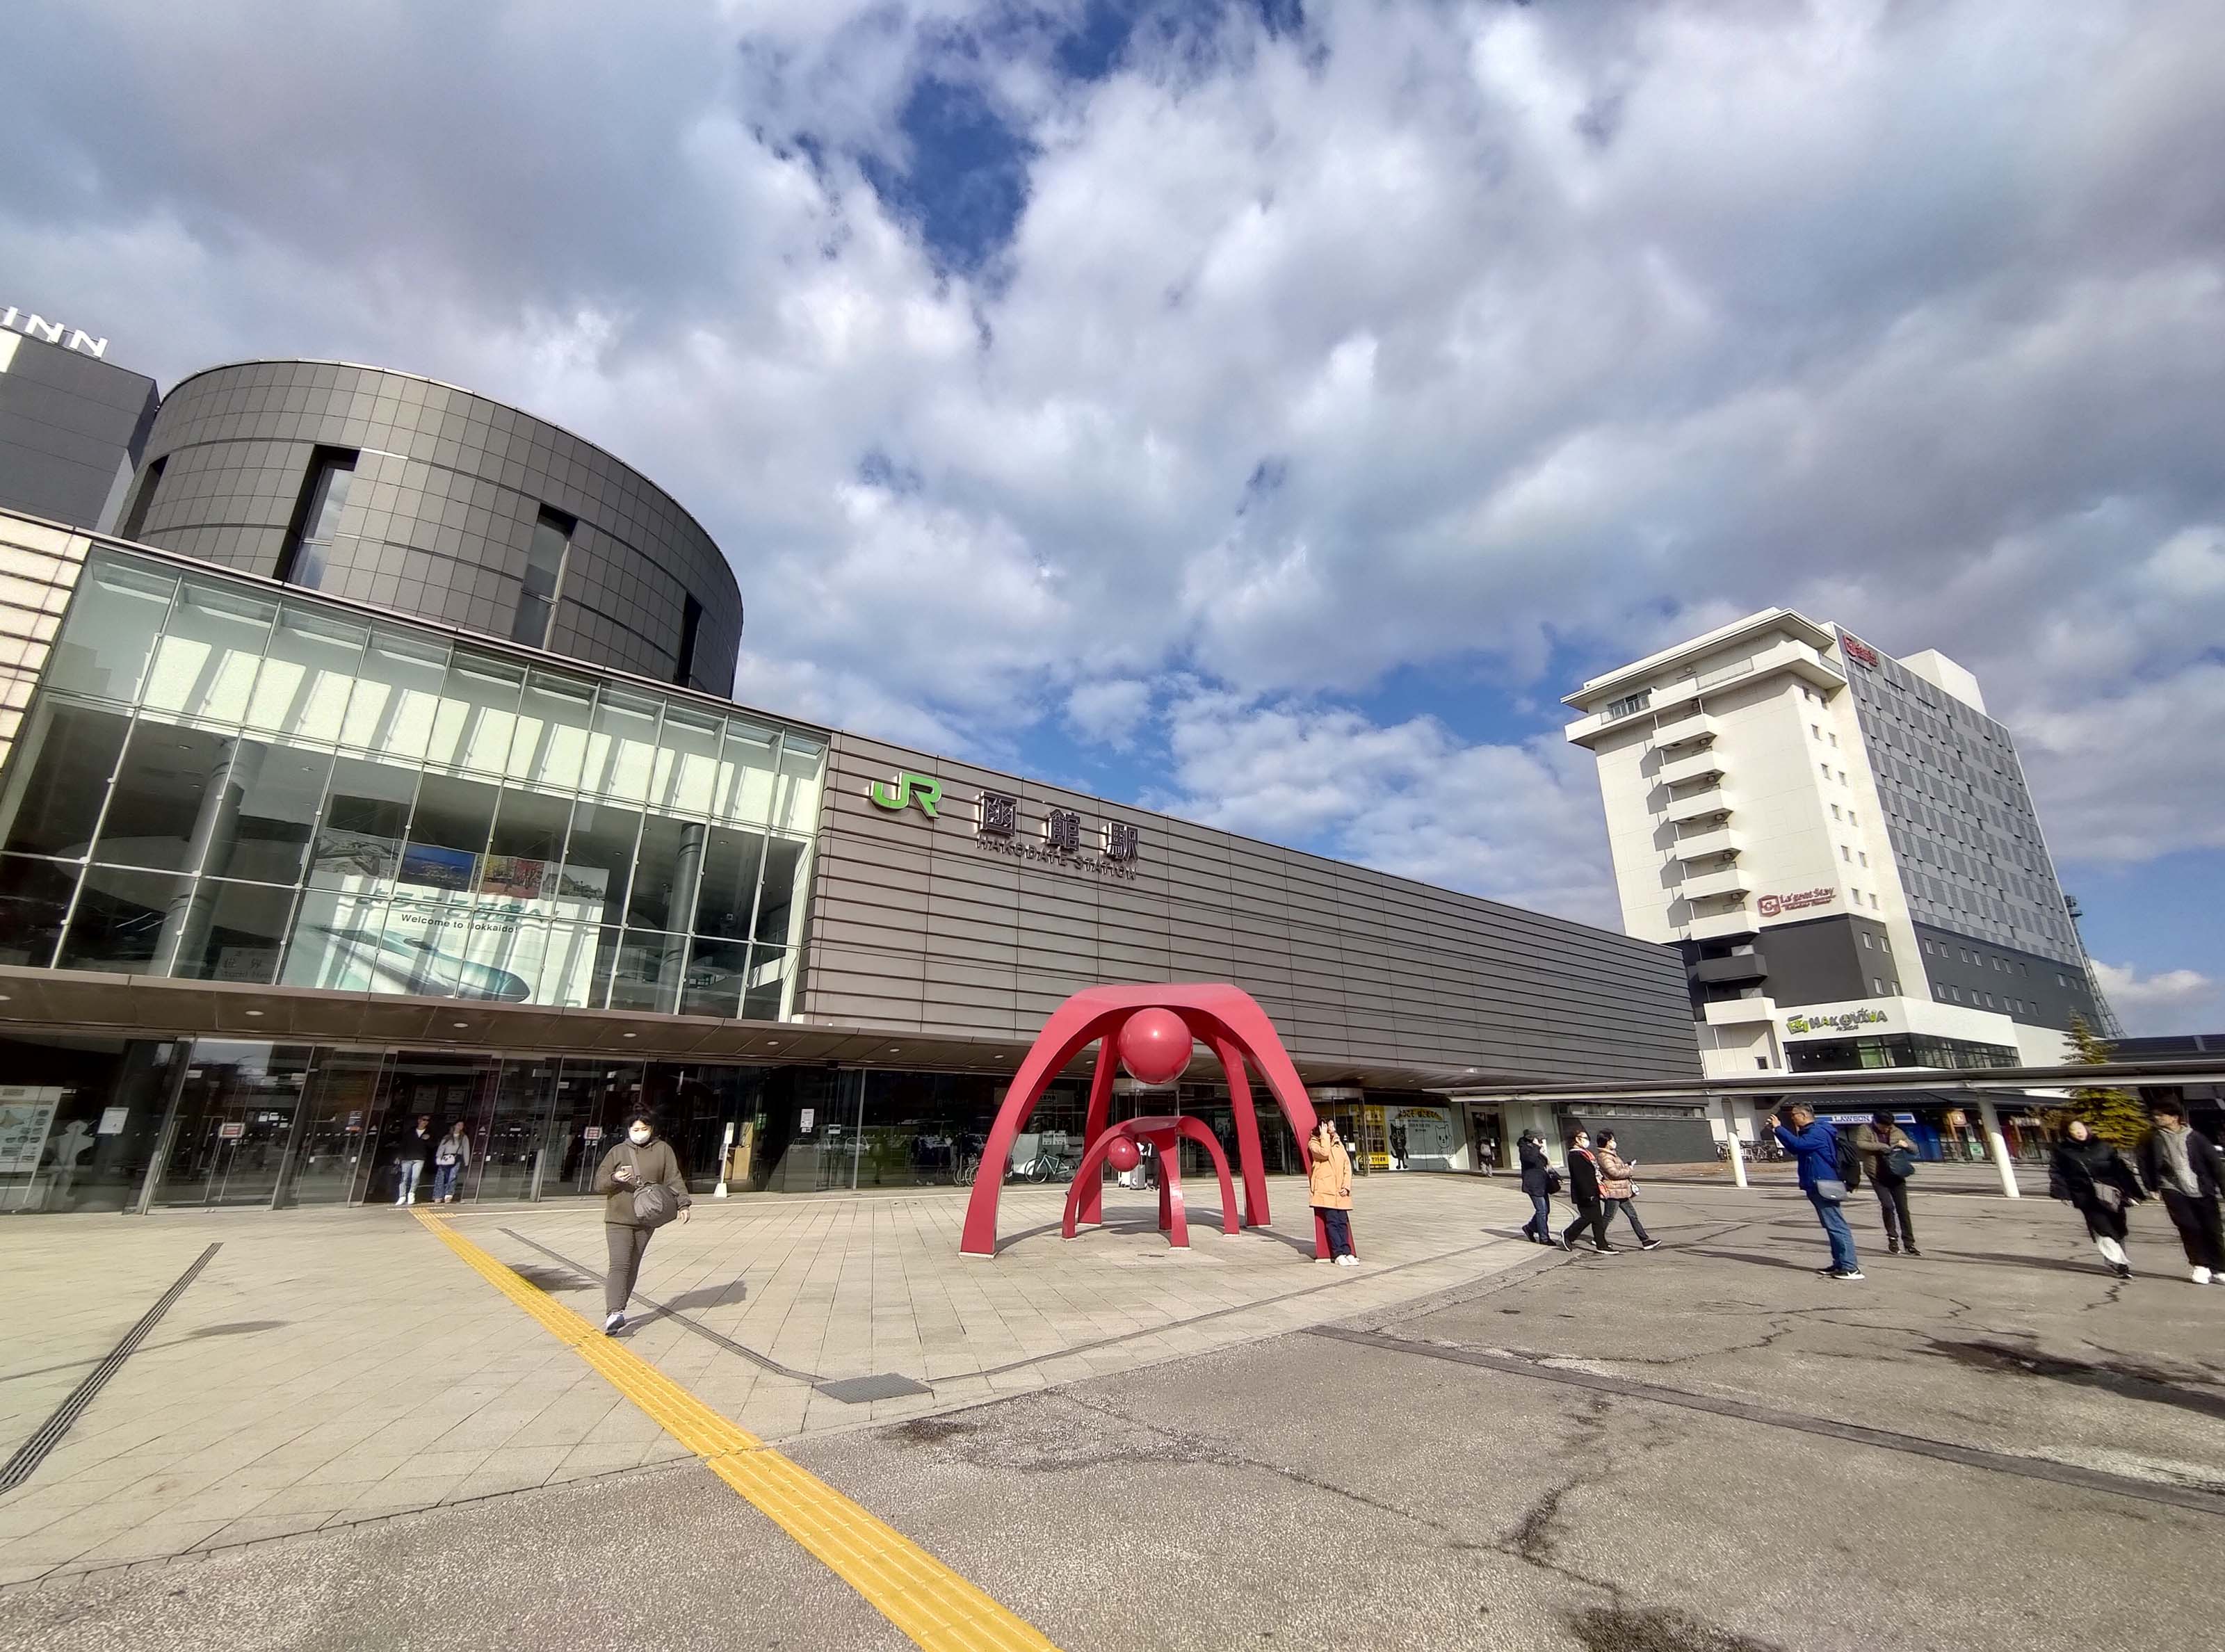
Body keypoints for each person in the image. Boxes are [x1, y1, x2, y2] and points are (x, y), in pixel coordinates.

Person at [594, 1112, 691, 1333]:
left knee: (633, 1265)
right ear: (628, 1131)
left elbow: (673, 1178)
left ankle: (619, 1308)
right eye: (635, 1130)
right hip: (618, 1216)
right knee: (620, 1264)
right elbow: (599, 1183)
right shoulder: (617, 1151)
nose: (640, 1134)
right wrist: (615, 1178)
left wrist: (683, 1203)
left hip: (647, 1217)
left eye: (643, 1129)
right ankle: (614, 1312)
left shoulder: (663, 1150)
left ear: (652, 1129)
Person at [2135, 1101, 2224, 1286]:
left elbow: (2215, 1164)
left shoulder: (2195, 1137)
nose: (2157, 1118)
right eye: (2156, 1115)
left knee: (2213, 1229)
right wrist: (2151, 1186)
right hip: (2172, 1188)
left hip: (2202, 1188)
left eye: (2161, 1115)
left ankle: (2220, 1268)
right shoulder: (2150, 1137)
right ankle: (2200, 1265)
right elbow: (2144, 1163)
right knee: (2189, 1227)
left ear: (2175, 1118)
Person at [1772, 1104, 1862, 1280]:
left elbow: (1798, 1145)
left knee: (1836, 1225)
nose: (1793, 1119)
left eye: (1794, 1116)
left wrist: (1779, 1128)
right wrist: (1779, 1131)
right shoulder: (1813, 1132)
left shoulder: (1818, 1132)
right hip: (1816, 1183)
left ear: (1804, 1115)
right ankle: (1840, 1263)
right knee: (1831, 1225)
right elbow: (1795, 1147)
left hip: (1824, 1183)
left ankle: (1850, 1266)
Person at [2048, 1119, 2144, 1280]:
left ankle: (2114, 1260)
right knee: (2103, 1229)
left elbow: (2121, 1170)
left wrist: (2132, 1192)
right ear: (2068, 1133)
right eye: (2074, 1129)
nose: (2079, 1132)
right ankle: (2119, 1264)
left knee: (2118, 1229)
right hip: (2086, 1195)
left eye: (2081, 1128)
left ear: (2087, 1128)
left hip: (2112, 1193)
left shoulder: (2104, 1147)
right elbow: (2057, 1173)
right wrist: (2063, 1194)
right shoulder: (2062, 1151)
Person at [1851, 1112, 1922, 1258]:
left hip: (1896, 1174)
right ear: (1875, 1122)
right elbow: (1861, 1144)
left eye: (1888, 1127)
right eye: (1883, 1127)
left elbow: (1914, 1149)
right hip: (1877, 1174)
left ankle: (1909, 1243)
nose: (1886, 1130)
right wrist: (1882, 1146)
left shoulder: (1897, 1131)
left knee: (1903, 1209)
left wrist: (1906, 1145)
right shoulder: (1866, 1129)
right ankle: (1892, 1239)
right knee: (1888, 1206)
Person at [1594, 1131, 1659, 1250]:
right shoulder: (1604, 1156)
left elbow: (1618, 1169)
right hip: (1613, 1191)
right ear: (1607, 1142)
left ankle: (1645, 1241)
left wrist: (1626, 1166)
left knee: (1633, 1215)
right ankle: (1597, 1237)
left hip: (1621, 1191)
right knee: (1608, 1216)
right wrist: (1629, 1169)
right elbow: (1614, 1173)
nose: (1614, 1142)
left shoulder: (1612, 1155)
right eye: (1612, 1140)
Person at [1308, 1119, 1357, 1266]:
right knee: (1333, 1222)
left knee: (1343, 1222)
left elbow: (1347, 1165)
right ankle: (1338, 1253)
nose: (1333, 1128)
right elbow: (1324, 1153)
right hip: (1326, 1190)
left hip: (1340, 1190)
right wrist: (1324, 1136)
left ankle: (1347, 1252)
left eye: (1333, 1126)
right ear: (1322, 1127)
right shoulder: (1314, 1143)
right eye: (1330, 1126)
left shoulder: (1338, 1143)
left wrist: (1346, 1186)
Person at [1559, 1128, 1614, 1254]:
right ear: (1577, 1139)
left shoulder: (1584, 1154)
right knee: (1587, 1218)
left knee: (1597, 1219)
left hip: (1593, 1190)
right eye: (1584, 1138)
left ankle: (1601, 1244)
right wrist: (1588, 1194)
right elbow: (1581, 1178)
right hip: (1586, 1193)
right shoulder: (1575, 1155)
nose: (1586, 1141)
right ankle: (1568, 1234)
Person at [1517, 1131, 1557, 1244]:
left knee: (1546, 1210)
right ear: (1533, 1139)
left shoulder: (1536, 1148)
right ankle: (1544, 1238)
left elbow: (1543, 1165)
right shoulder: (1525, 1148)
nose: (1541, 1142)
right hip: (1533, 1184)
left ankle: (1530, 1228)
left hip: (1543, 1183)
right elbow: (1531, 1160)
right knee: (1542, 1210)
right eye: (1539, 1139)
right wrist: (1536, 1146)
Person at [392, 1115, 432, 1206]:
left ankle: (411, 1193)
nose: (425, 1122)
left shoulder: (429, 1133)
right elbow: (403, 1144)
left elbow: (433, 1145)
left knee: (415, 1177)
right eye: (424, 1120)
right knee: (404, 1178)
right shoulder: (410, 1132)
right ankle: (402, 1196)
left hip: (420, 1158)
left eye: (427, 1120)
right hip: (407, 1158)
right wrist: (399, 1156)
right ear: (419, 1120)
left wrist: (428, 1139)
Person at [432, 1120, 472, 1204]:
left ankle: (449, 1195)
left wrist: (467, 1161)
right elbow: (441, 1148)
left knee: (452, 1177)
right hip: (445, 1158)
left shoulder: (464, 1137)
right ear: (454, 1126)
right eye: (458, 1125)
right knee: (441, 1176)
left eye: (462, 1125)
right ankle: (438, 1195)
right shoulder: (447, 1137)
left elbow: (466, 1150)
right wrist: (439, 1157)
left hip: (457, 1158)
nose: (460, 1127)